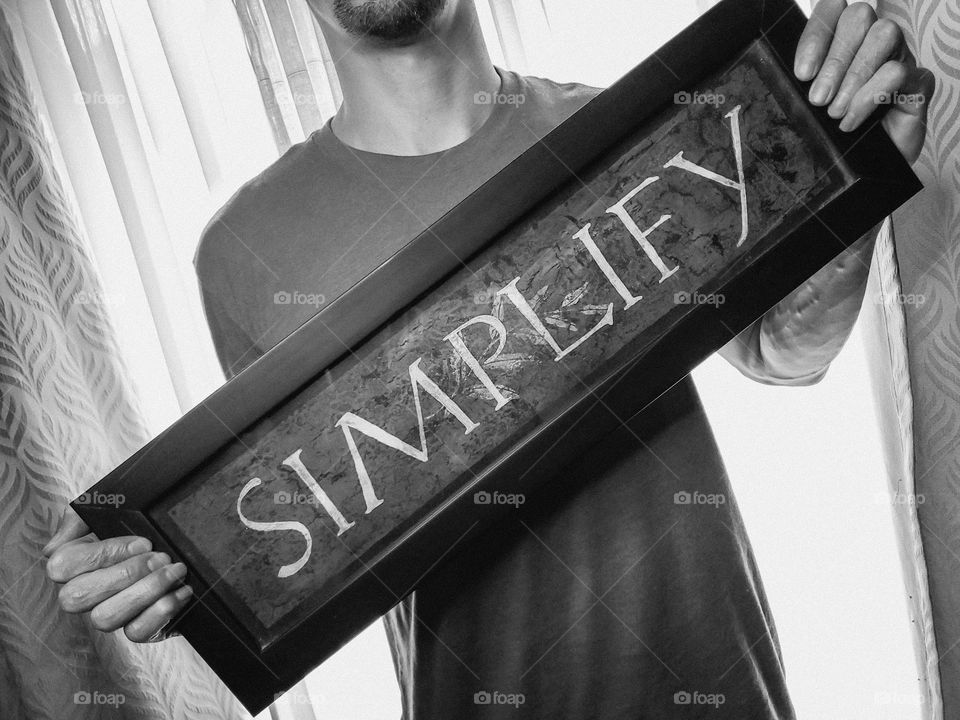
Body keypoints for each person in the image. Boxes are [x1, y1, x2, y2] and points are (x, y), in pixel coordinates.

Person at [45, 1, 932, 717]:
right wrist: (169, 568)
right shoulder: (243, 250)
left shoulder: (639, 130)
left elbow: (783, 352)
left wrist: (858, 179)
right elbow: (289, 526)